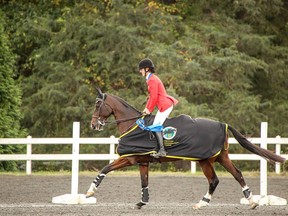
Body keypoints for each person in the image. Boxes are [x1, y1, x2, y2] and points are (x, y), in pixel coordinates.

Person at [138, 58, 178, 158]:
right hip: (164, 105)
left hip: (165, 105)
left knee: (156, 125)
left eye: (141, 69)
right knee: (155, 125)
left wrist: (149, 110)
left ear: (147, 69)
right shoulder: (151, 79)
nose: (140, 71)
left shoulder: (152, 80)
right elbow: (151, 97)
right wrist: (146, 109)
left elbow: (154, 97)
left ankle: (162, 151)